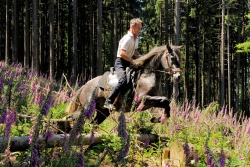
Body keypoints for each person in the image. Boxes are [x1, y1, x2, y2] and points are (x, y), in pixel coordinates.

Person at [104, 18, 143, 110]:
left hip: (128, 62)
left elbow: (134, 51)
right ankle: (108, 101)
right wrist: (133, 61)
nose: (140, 30)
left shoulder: (135, 38)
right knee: (123, 80)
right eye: (139, 28)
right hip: (120, 62)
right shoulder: (127, 38)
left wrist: (142, 57)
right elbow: (122, 53)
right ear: (133, 27)